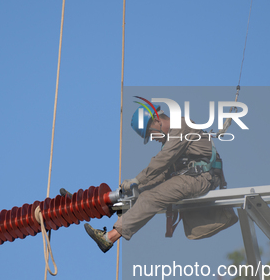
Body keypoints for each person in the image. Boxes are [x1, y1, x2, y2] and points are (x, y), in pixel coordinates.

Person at [84, 104, 227, 253]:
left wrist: (138, 179)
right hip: (189, 176)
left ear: (157, 120)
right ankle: (91, 205)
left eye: (151, 134)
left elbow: (164, 159)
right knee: (136, 191)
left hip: (202, 177)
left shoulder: (182, 126)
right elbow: (162, 171)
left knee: (149, 197)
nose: (153, 139)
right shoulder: (172, 137)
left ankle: (109, 238)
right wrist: (135, 186)